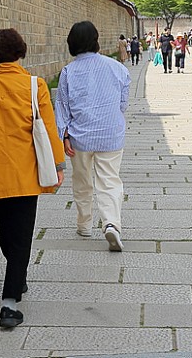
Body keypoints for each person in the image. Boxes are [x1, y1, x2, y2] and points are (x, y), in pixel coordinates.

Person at [0, 28, 65, 329]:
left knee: (7, 229)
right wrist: (58, 165)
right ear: (21, 52)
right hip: (25, 173)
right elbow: (48, 126)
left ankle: (17, 276)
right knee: (22, 235)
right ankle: (9, 303)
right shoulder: (35, 85)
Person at [55, 21, 131, 252]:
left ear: (72, 43)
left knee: (82, 181)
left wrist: (64, 135)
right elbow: (122, 103)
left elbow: (62, 107)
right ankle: (111, 224)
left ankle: (84, 224)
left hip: (80, 137)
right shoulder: (117, 68)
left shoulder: (68, 71)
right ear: (96, 40)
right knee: (109, 180)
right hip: (111, 135)